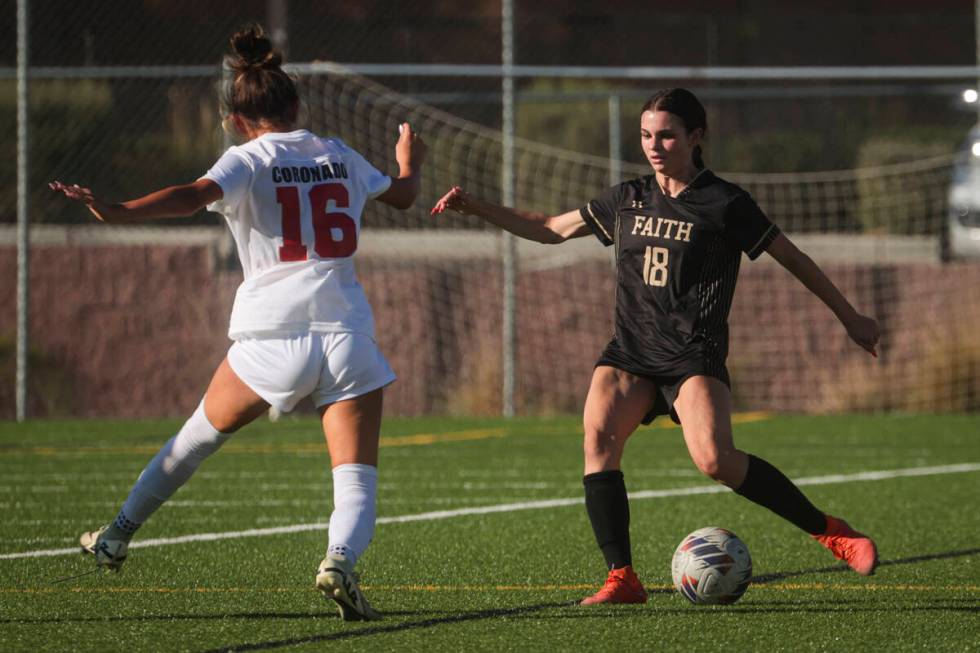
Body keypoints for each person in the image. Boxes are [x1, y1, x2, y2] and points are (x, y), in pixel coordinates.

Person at [432, 88, 879, 605]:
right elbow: (551, 229)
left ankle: (833, 531)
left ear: (696, 136)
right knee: (597, 437)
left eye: (667, 134)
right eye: (646, 135)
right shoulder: (628, 197)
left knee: (715, 459)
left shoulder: (725, 202)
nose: (655, 145)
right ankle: (622, 577)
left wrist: (850, 317)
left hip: (693, 353)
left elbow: (793, 257)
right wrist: (476, 206)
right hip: (630, 351)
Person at [49, 24, 426, 621]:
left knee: (195, 439)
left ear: (235, 119)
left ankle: (117, 533)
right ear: (297, 104)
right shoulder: (340, 153)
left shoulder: (247, 159)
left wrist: (116, 209)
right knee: (355, 478)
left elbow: (189, 194)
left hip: (272, 335)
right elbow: (404, 196)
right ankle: (338, 563)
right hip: (345, 331)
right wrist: (409, 162)